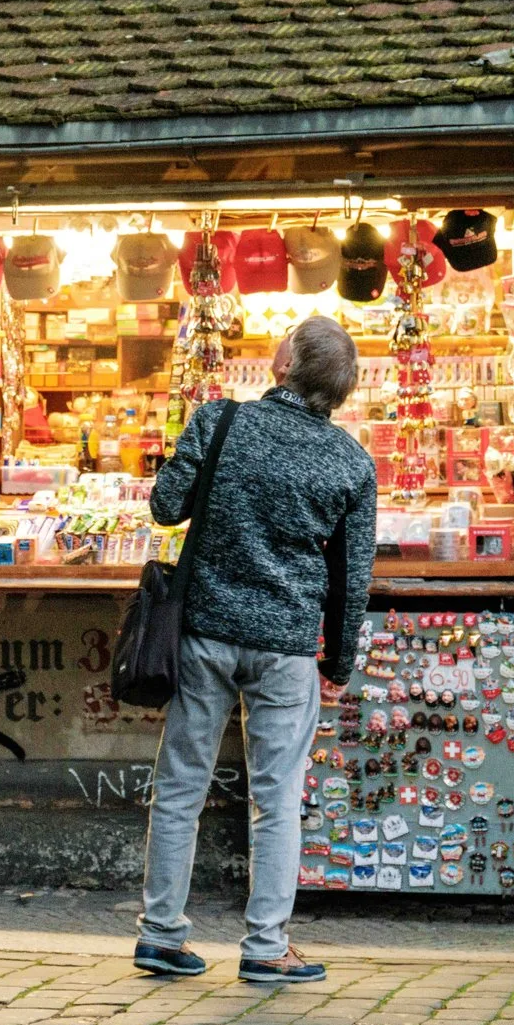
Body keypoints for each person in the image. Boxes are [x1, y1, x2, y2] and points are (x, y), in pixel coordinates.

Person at [134, 315, 376, 987]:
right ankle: (267, 945)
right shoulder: (352, 461)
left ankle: (161, 934)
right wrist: (339, 663)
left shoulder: (221, 421)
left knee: (181, 784)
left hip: (206, 631)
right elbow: (351, 578)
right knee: (277, 796)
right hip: (287, 646)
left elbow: (164, 506)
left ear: (281, 361)